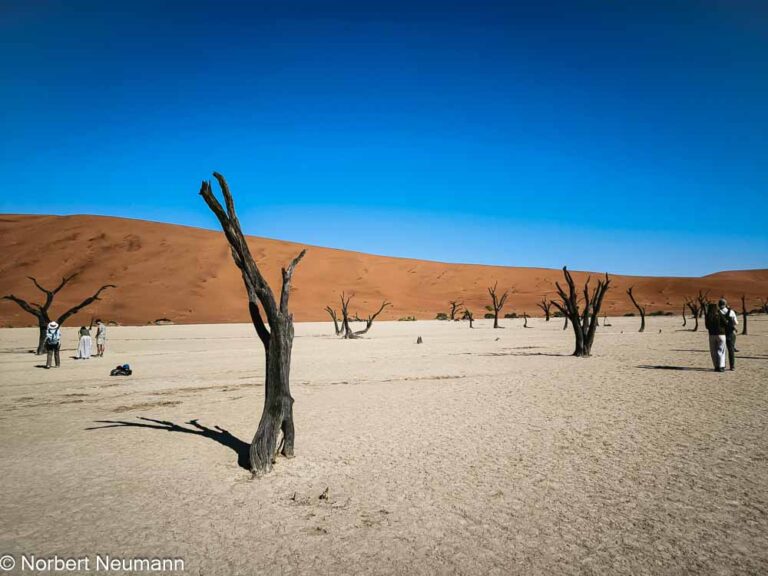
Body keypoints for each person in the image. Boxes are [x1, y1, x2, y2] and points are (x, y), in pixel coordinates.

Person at [704, 301, 730, 372]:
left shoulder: (708, 315)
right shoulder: (719, 314)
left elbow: (706, 326)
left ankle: (716, 366)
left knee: (713, 351)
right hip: (721, 335)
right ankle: (721, 366)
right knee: (721, 350)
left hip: (712, 335)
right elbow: (725, 322)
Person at [719, 298, 739, 371]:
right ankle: (732, 366)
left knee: (721, 350)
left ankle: (722, 365)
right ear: (725, 304)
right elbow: (736, 322)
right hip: (730, 333)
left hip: (721, 333)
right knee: (731, 350)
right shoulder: (731, 312)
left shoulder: (717, 312)